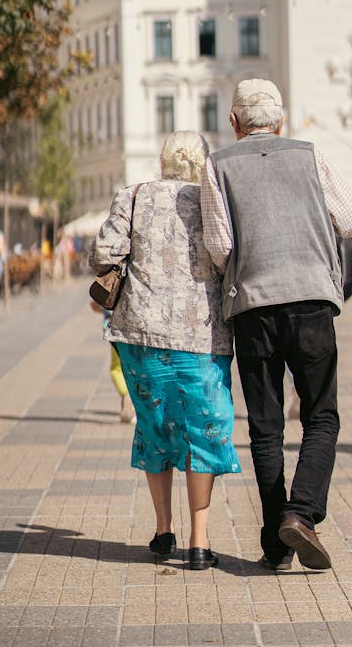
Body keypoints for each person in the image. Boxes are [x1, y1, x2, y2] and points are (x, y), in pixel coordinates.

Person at [201, 79, 352, 572]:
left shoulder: (219, 164)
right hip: (312, 300)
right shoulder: (311, 155)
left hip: (253, 306)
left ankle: (277, 544)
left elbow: (220, 245)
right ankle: (302, 513)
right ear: (282, 120)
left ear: (233, 122)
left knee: (266, 427)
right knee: (320, 416)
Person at [89, 131, 241, 571]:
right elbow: (226, 255)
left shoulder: (132, 196)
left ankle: (161, 530)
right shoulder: (212, 201)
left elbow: (103, 252)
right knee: (204, 431)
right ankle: (199, 541)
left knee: (155, 428)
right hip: (202, 337)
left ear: (162, 163)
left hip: (140, 336)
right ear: (203, 165)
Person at [90, 301, 136, 423]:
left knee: (116, 369)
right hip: (135, 330)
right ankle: (133, 399)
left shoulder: (114, 282)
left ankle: (126, 394)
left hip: (115, 331)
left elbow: (95, 305)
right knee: (135, 366)